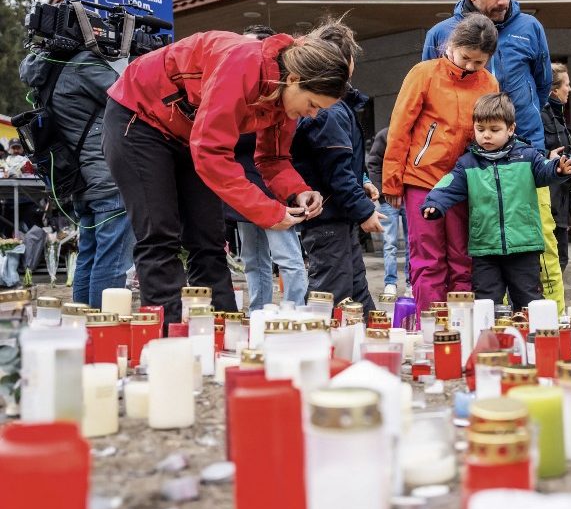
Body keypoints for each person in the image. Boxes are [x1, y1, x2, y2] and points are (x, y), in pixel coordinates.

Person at [103, 17, 356, 325]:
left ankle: (223, 331)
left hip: (188, 132)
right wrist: (269, 212)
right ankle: (168, 337)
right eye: (313, 103)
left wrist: (297, 191)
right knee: (159, 235)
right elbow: (211, 153)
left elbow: (273, 158)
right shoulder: (243, 64)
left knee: (208, 238)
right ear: (293, 79)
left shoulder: (284, 99)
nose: (312, 114)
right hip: (139, 116)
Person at [422, 0, 564, 314]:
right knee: (481, 249)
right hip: (468, 160)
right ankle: (494, 324)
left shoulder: (530, 27)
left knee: (541, 244)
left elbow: (543, 82)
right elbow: (428, 92)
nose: (503, 0)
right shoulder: (440, 34)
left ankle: (553, 320)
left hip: (525, 154)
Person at [384, 14, 499, 321]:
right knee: (428, 258)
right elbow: (399, 128)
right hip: (422, 180)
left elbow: (491, 132)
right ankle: (430, 327)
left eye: (479, 62)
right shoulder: (424, 73)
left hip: (465, 183)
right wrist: (392, 181)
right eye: (466, 58)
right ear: (451, 46)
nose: (470, 67)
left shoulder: (489, 82)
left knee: (464, 259)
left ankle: (461, 325)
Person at [421, 93, 571, 311]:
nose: (486, 136)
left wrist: (557, 169)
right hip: (486, 249)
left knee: (529, 301)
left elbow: (544, 170)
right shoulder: (468, 163)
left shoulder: (527, 156)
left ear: (510, 129)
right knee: (486, 303)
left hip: (524, 246)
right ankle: (490, 342)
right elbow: (449, 184)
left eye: (494, 130)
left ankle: (530, 341)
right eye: (480, 129)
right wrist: (434, 202)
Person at [19, 43, 135, 307]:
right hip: (106, 177)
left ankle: (81, 325)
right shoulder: (82, 65)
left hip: (80, 179)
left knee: (89, 256)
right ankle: (102, 328)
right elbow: (128, 96)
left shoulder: (46, 69)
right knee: (112, 261)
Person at [292, 42, 384, 318]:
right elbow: (337, 172)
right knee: (332, 294)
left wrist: (362, 182)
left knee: (355, 290)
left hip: (338, 217)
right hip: (328, 217)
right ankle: (322, 352)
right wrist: (364, 211)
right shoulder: (329, 110)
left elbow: (344, 166)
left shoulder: (338, 106)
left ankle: (369, 343)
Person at [224, 25, 308, 311]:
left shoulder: (280, 96)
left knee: (287, 257)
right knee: (252, 257)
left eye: (251, 48)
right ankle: (258, 312)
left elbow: (277, 153)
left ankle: (293, 311)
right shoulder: (239, 89)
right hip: (245, 187)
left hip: (272, 184)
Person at [541, 63, 571, 272]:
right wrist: (548, 157)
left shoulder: (558, 115)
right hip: (550, 200)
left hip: (561, 198)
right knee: (553, 260)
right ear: (554, 89)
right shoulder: (540, 114)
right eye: (567, 84)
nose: (570, 89)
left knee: (560, 258)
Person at [367, 126, 410, 297]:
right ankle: (390, 283)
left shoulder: (414, 135)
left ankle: (411, 283)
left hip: (410, 198)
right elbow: (373, 165)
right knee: (390, 243)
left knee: (412, 244)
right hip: (388, 199)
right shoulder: (384, 136)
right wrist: (383, 194)